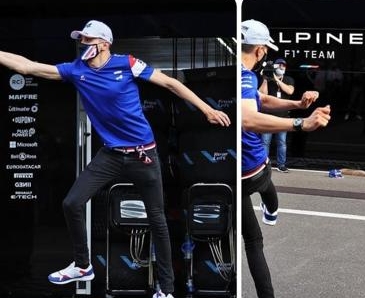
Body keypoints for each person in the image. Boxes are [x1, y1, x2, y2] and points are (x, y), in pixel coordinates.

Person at [0, 20, 231, 298]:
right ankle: (83, 266)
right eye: (81, 40)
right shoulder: (76, 70)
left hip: (143, 155)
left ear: (104, 43)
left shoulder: (127, 63)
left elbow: (170, 83)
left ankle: (166, 290)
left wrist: (206, 110)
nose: (83, 44)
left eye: (88, 40)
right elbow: (28, 66)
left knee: (157, 220)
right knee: (71, 203)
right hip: (110, 154)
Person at [241, 19, 331, 298]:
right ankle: (272, 210)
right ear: (259, 51)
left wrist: (296, 105)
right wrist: (300, 123)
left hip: (233, 170)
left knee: (252, 241)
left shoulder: (235, 74)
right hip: (251, 168)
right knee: (266, 176)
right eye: (265, 50)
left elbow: (260, 101)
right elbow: (248, 117)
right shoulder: (244, 76)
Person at [258, 58, 295, 173]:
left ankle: (281, 165)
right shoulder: (267, 79)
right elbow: (261, 94)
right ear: (274, 67)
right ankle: (263, 165)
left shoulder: (288, 79)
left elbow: (290, 91)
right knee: (265, 142)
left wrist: (275, 79)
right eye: (279, 65)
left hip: (283, 117)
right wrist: (265, 79)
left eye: (283, 66)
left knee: (282, 142)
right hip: (268, 117)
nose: (281, 67)